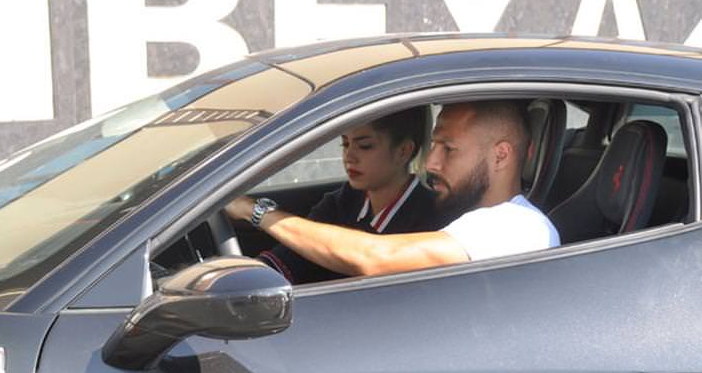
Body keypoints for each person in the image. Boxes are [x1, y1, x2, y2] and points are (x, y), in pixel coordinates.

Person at [226, 100, 560, 278]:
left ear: (500, 155)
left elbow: (374, 258)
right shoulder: (466, 220)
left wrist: (256, 212)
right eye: (433, 146)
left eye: (449, 149)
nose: (431, 163)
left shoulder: (518, 227)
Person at [258, 106, 444, 283]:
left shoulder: (433, 217)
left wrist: (255, 211)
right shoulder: (342, 201)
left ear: (403, 151)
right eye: (345, 144)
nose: (349, 156)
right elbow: (288, 258)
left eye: (364, 146)